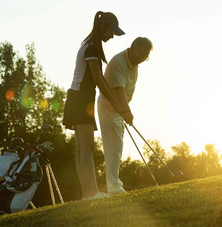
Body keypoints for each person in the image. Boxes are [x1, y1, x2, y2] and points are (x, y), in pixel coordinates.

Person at [63, 11, 124, 200]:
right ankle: (91, 193)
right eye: (111, 31)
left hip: (79, 98)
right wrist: (116, 102)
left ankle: (86, 194)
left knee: (82, 147)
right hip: (81, 98)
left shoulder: (91, 46)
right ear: (102, 27)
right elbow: (98, 79)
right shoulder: (91, 48)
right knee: (86, 147)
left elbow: (97, 81)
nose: (112, 36)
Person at [98, 37, 153, 194]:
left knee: (117, 146)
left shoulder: (134, 63)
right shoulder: (118, 62)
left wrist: (124, 110)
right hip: (108, 106)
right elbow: (119, 91)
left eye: (146, 57)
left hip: (119, 108)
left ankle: (114, 184)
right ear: (134, 49)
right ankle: (114, 186)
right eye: (142, 55)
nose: (143, 60)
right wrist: (127, 112)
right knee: (114, 147)